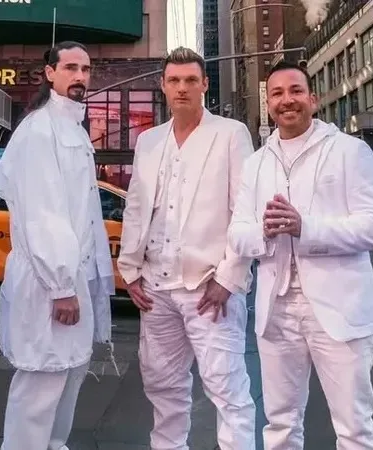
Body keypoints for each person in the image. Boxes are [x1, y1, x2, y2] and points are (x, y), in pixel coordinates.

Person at [228, 60, 373, 450]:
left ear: (313, 99)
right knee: (280, 425)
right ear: (269, 104)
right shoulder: (256, 163)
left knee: (354, 429)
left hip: (339, 309)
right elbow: (237, 234)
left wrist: (307, 227)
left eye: (296, 91)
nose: (287, 100)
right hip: (276, 309)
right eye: (277, 93)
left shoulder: (349, 151)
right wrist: (264, 232)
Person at [116, 47, 256, 450]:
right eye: (174, 80)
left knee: (227, 390)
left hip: (208, 286)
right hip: (155, 288)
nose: (182, 88)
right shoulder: (149, 141)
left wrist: (229, 278)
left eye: (191, 80)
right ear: (162, 85)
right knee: (163, 387)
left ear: (204, 85)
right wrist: (130, 270)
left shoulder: (230, 134)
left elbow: (245, 211)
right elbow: (136, 207)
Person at [0, 41, 115, 450]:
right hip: (50, 281)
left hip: (72, 276)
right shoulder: (40, 130)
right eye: (70, 68)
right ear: (49, 73)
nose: (80, 77)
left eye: (86, 69)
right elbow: (42, 213)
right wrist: (61, 285)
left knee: (69, 374)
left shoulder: (72, 127)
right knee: (42, 382)